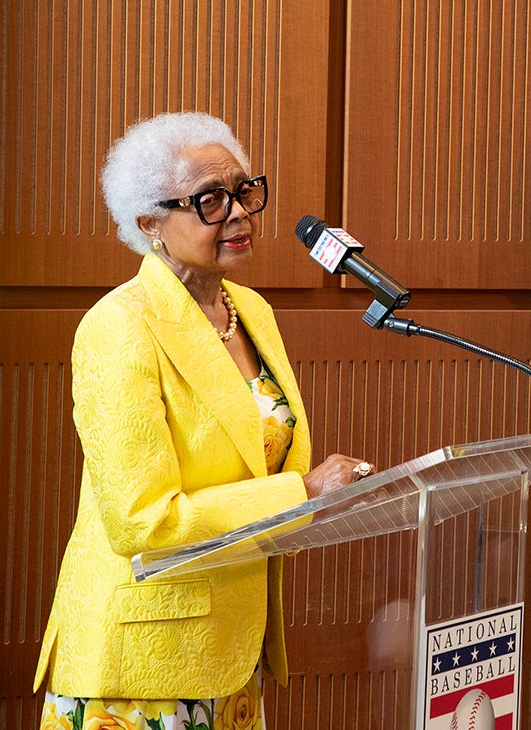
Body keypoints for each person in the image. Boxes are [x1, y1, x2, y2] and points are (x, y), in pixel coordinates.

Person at [33, 112, 373, 729]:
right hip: (143, 670)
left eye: (243, 191)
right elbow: (143, 520)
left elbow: (261, 460)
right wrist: (303, 494)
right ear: (150, 224)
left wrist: (326, 502)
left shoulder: (251, 311)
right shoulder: (120, 328)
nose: (239, 212)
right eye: (209, 200)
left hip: (233, 656)